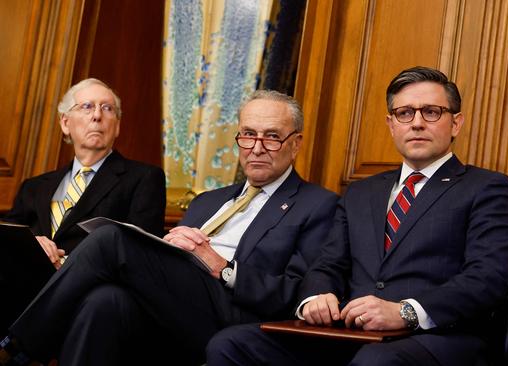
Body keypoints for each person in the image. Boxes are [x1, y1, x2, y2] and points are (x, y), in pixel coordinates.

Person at [205, 66, 508, 366]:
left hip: (437, 338)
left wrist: (406, 312)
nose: (417, 123)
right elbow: (329, 264)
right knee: (231, 344)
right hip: (352, 334)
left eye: (432, 112)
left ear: (456, 123)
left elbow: (487, 278)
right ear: (391, 123)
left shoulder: (486, 187)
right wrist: (316, 296)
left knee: (375, 362)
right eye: (405, 113)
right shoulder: (361, 193)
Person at [0, 90, 337, 366]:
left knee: (111, 238)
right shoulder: (207, 200)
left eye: (272, 137)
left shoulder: (318, 204)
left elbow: (297, 293)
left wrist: (222, 268)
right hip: (176, 305)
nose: (257, 147)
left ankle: (17, 345)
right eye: (248, 134)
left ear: (296, 144)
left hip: (235, 314)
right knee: (105, 300)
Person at [0, 78, 166, 332]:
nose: (97, 116)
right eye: (87, 106)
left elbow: (139, 254)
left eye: (108, 108)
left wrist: (66, 264)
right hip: (22, 285)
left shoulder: (144, 178)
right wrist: (34, 246)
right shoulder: (35, 186)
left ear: (117, 126)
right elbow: (6, 240)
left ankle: (15, 345)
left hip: (87, 294)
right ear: (65, 123)